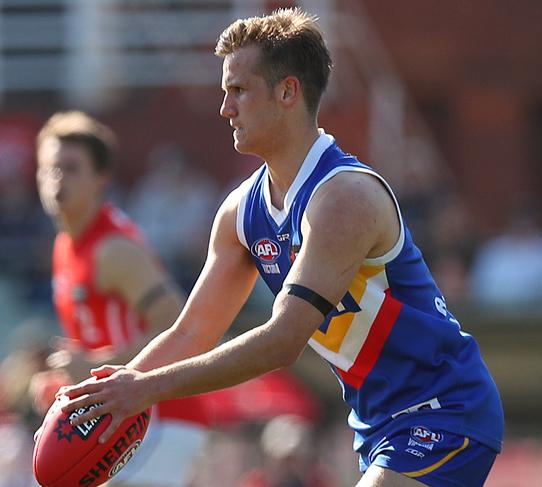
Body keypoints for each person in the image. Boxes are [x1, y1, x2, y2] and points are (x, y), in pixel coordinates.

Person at [59, 8, 504, 486]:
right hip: (377, 424)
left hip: (444, 408)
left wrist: (145, 390)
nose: (225, 109)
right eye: (224, 93)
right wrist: (107, 398)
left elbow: (282, 341)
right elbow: (191, 332)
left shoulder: (342, 199)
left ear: (288, 91)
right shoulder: (239, 213)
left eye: (239, 91)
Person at [33, 111, 214, 487]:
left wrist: (94, 367)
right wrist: (66, 381)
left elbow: (180, 328)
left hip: (161, 418)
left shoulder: (114, 248)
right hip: (126, 420)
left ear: (101, 179)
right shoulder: (66, 247)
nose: (56, 178)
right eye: (49, 167)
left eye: (70, 167)